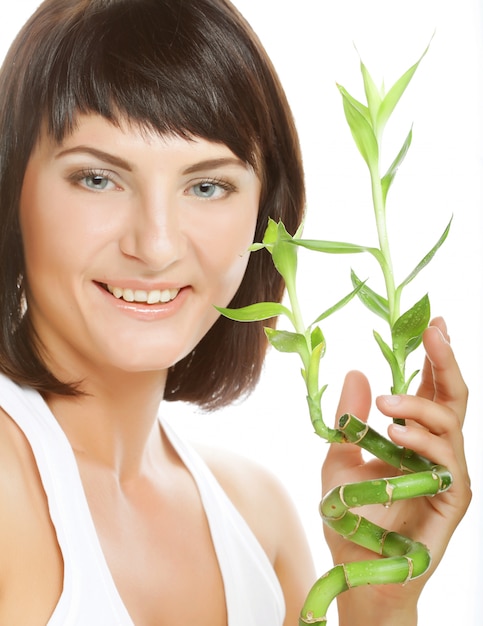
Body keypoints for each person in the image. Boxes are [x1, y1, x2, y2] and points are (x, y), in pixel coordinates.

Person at [0, 0, 470, 625]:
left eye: (206, 186)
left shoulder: (258, 517)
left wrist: (379, 606)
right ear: (12, 190)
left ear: (265, 221)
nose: (157, 244)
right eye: (97, 178)